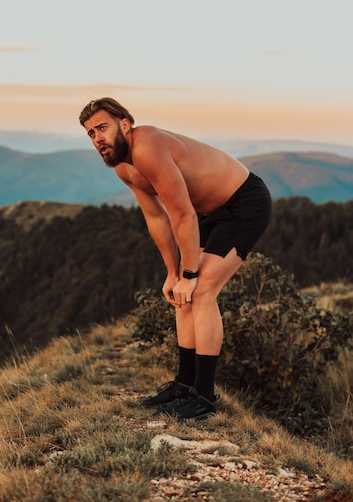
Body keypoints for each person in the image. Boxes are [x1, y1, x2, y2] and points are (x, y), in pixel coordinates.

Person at [79, 97, 272, 420]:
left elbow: (182, 214)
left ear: (124, 124)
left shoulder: (147, 147)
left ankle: (205, 398)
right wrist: (173, 273)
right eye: (90, 133)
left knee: (202, 291)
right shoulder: (124, 168)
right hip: (208, 213)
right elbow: (156, 218)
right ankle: (185, 385)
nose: (97, 138)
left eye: (102, 127)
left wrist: (191, 273)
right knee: (181, 298)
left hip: (244, 203)